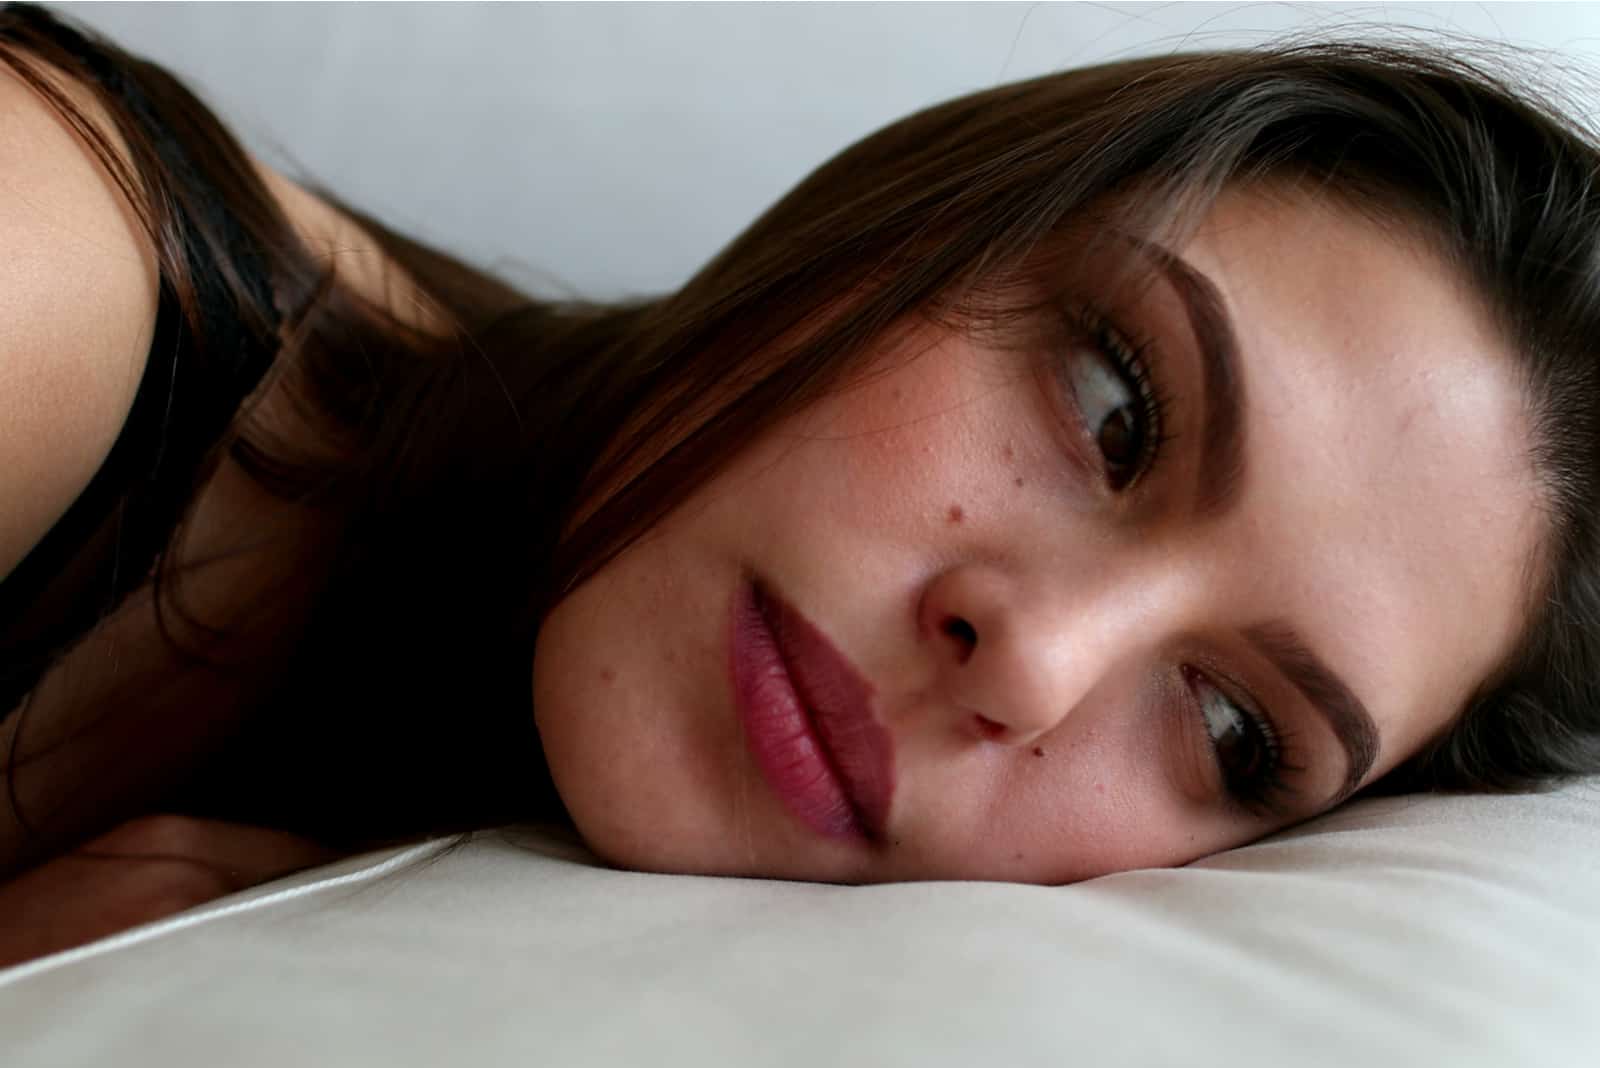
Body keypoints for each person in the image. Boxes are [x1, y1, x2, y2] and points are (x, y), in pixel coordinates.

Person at [1, 1, 1598, 965]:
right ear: (912, 220)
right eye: (1115, 404)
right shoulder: (49, 283)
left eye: (1238, 732)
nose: (1035, 659)